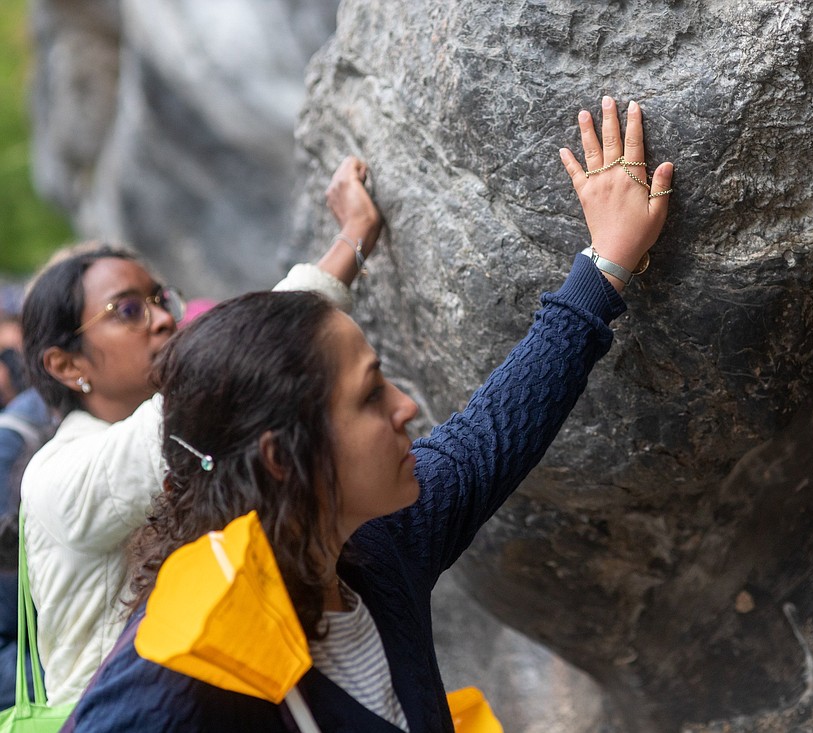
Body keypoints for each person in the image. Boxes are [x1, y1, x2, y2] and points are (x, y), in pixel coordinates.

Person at [62, 96, 674, 731]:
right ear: (281, 456)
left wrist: (605, 264)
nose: (405, 407)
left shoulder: (370, 547)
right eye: (369, 395)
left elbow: (489, 436)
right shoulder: (182, 673)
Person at [18, 156, 383, 705]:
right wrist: (353, 236)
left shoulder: (191, 435)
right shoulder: (57, 477)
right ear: (67, 366)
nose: (163, 318)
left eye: (161, 299)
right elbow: (233, 370)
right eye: (128, 310)